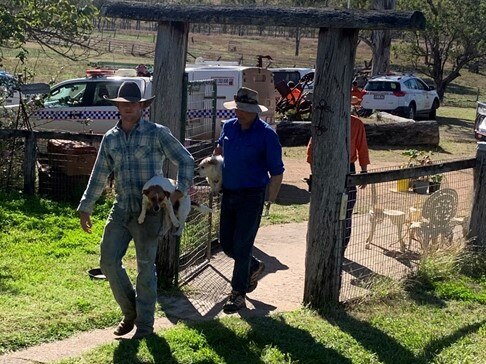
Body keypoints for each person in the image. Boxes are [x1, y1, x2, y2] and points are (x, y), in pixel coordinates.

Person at [77, 81, 194, 339]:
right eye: (123, 104)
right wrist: (86, 206)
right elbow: (100, 173)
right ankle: (130, 312)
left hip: (149, 213)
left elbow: (185, 159)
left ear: (142, 106)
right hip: (121, 209)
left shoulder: (156, 133)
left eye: (133, 104)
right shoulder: (111, 138)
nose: (127, 108)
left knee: (145, 269)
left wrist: (179, 192)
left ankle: (145, 327)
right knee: (108, 262)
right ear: (118, 107)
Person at [214, 87, 284, 313]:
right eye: (238, 108)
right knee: (226, 243)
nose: (240, 113)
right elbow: (219, 150)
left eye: (244, 109)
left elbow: (277, 171)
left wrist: (269, 199)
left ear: (255, 111)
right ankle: (253, 266)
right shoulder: (228, 127)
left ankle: (237, 293)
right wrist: (214, 172)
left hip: (252, 195)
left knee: (243, 245)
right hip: (229, 192)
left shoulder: (266, 134)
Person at [306, 114, 370, 253]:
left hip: (348, 168)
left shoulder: (356, 123)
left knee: (346, 210)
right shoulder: (325, 120)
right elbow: (312, 151)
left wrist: (364, 171)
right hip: (327, 167)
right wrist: (315, 175)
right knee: (327, 209)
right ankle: (325, 248)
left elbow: (362, 147)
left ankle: (341, 250)